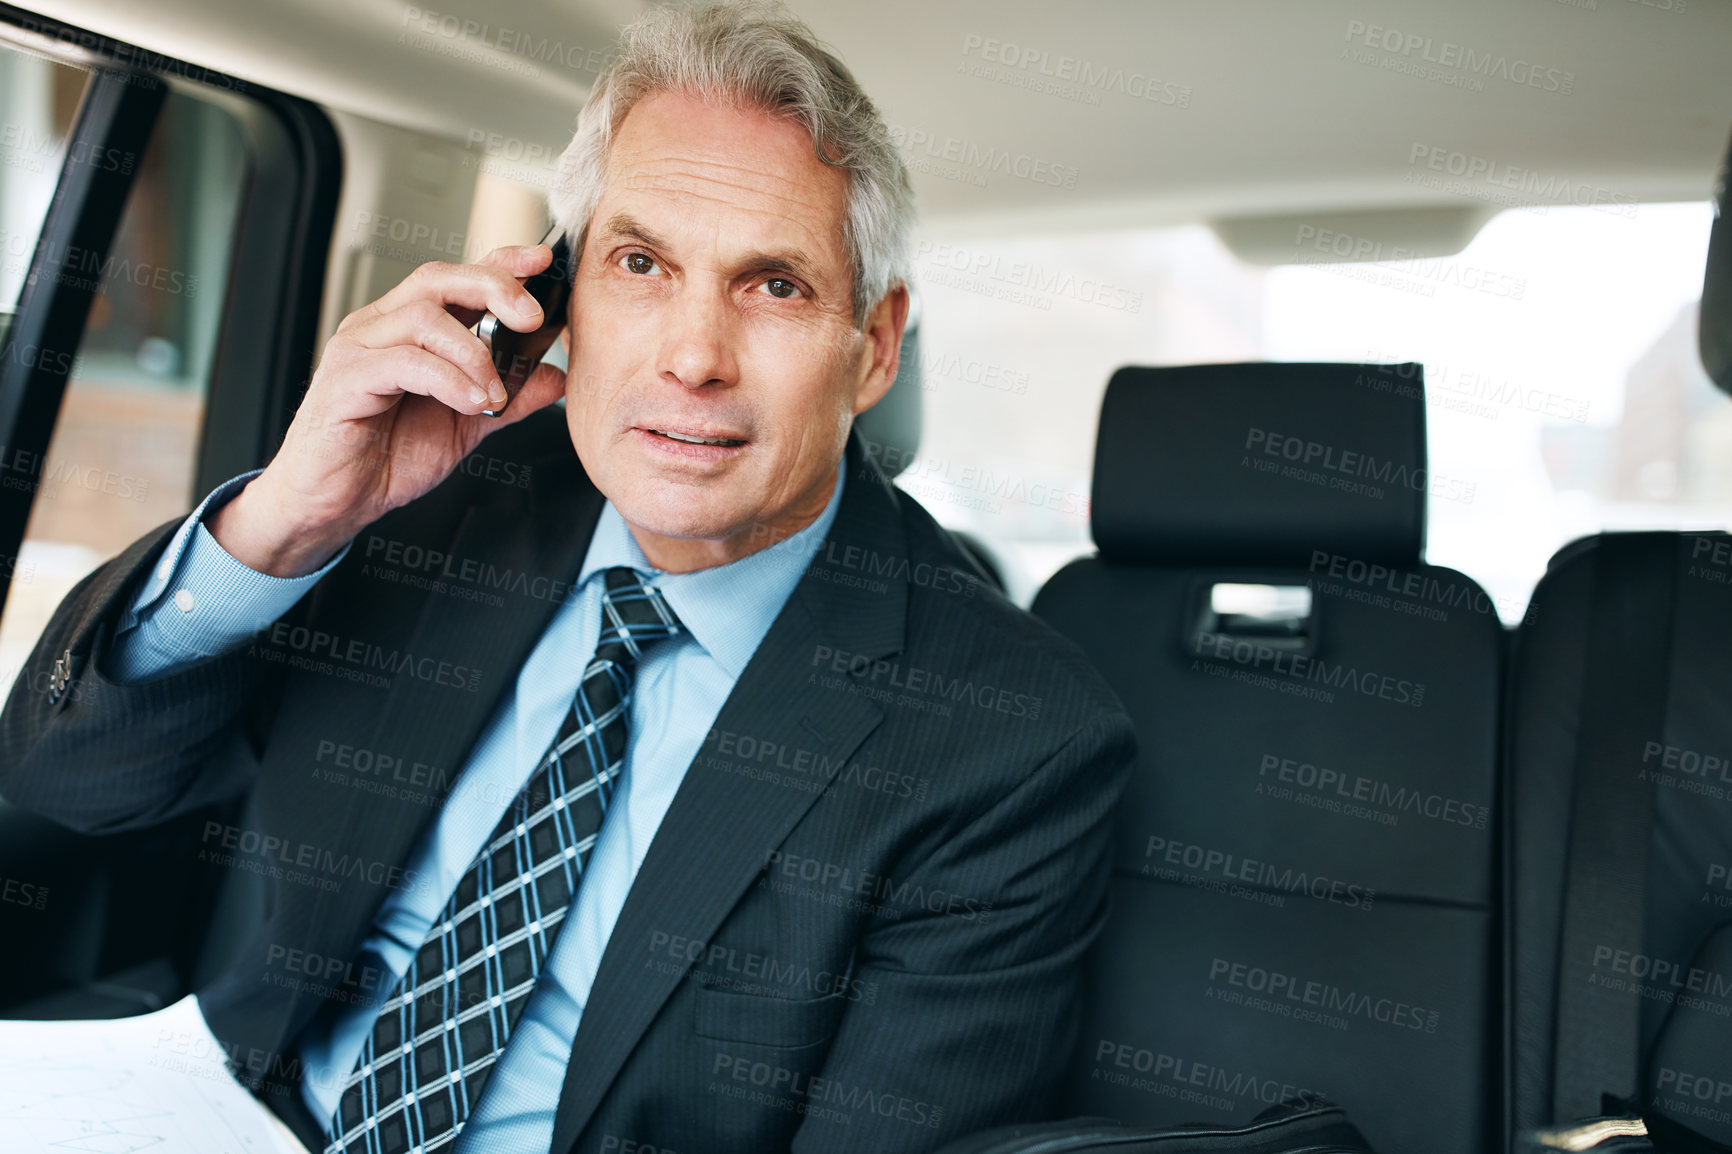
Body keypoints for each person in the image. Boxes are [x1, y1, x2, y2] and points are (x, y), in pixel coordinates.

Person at [0, 4, 1135, 1152]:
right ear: (558, 299)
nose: (693, 357)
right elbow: (68, 782)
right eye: (639, 264)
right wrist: (290, 518)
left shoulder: (1012, 738)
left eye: (774, 285)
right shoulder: (437, 497)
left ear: (875, 345)